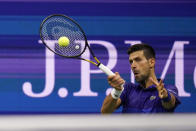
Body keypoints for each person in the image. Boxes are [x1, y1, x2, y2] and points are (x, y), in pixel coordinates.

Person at [101, 43, 181, 113]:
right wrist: (117, 90)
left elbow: (170, 104)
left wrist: (166, 97)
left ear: (151, 62)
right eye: (131, 62)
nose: (133, 66)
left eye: (138, 60)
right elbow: (105, 111)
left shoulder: (169, 88)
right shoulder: (128, 89)